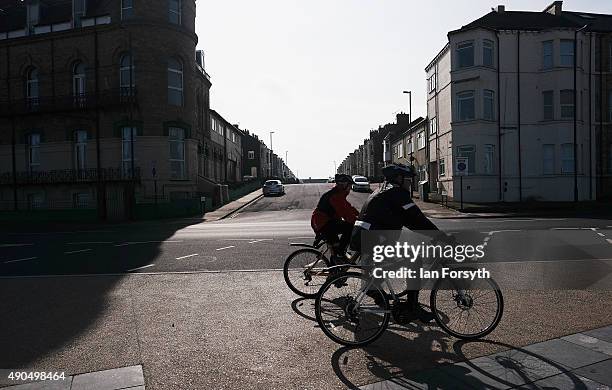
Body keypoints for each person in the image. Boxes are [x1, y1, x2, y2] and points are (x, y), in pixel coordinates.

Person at [350, 163, 453, 323]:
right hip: (373, 239)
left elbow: (410, 221)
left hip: (366, 238)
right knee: (414, 260)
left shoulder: (385, 190)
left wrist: (434, 235)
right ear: (399, 178)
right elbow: (416, 217)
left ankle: (374, 286)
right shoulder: (397, 193)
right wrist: (441, 236)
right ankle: (411, 307)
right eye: (408, 180)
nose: (410, 183)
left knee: (404, 259)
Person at [311, 174, 359, 265]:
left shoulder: (338, 194)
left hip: (327, 222)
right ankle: (340, 255)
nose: (350, 188)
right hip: (322, 223)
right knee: (349, 227)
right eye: (350, 186)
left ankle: (335, 272)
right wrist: (357, 222)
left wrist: (361, 215)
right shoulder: (335, 196)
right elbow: (345, 213)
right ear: (344, 185)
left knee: (336, 248)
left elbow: (349, 207)